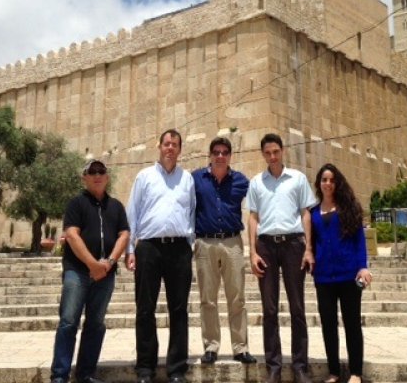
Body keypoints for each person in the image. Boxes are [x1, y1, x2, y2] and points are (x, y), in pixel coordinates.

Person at [50, 159, 130, 383]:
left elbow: (124, 234)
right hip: (77, 271)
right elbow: (72, 235)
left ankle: (86, 374)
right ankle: (60, 375)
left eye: (101, 171)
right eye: (91, 171)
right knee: (68, 322)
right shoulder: (76, 204)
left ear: (107, 177)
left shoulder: (115, 206)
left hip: (105, 274)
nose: (97, 175)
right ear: (84, 177)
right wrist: (93, 265)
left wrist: (110, 262)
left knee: (96, 324)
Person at [125, 129, 196, 383]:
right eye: (166, 144)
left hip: (179, 249)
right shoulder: (144, 177)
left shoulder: (187, 179)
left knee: (179, 310)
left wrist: (190, 247)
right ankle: (145, 367)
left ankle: (177, 369)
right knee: (145, 308)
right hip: (149, 249)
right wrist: (130, 250)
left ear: (179, 149)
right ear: (159, 146)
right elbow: (131, 213)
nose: (170, 148)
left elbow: (191, 214)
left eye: (174, 145)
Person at [246, 133, 316, 383]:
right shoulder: (256, 182)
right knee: (269, 309)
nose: (272, 156)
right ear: (263, 154)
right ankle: (273, 367)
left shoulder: (297, 179)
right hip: (266, 247)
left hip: (293, 245)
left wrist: (308, 248)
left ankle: (300, 366)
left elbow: (305, 213)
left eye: (276, 151)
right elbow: (253, 217)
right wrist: (252, 251)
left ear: (282, 151)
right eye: (267, 153)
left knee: (297, 308)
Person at [192, 137, 256, 365]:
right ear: (210, 155)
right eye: (216, 152)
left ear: (230, 155)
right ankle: (211, 347)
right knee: (207, 299)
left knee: (237, 298)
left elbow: (256, 208)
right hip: (205, 243)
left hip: (232, 243)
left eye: (225, 152)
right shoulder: (196, 179)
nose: (220, 156)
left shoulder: (240, 181)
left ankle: (241, 348)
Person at [310, 163, 372, 383]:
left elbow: (359, 241)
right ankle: (334, 372)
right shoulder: (313, 213)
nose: (328, 184)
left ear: (337, 183)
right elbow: (310, 243)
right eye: (324, 180)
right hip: (324, 277)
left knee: (352, 324)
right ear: (319, 183)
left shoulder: (348, 209)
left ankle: (356, 372)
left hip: (348, 275)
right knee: (328, 325)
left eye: (331, 180)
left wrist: (363, 266)